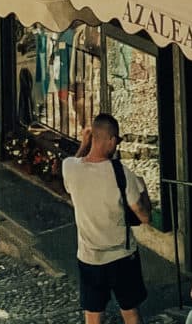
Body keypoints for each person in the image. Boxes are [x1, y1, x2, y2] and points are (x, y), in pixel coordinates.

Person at [61, 112, 153, 324]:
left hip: (89, 256)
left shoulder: (70, 168)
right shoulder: (121, 172)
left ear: (92, 137)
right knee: (130, 313)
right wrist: (144, 188)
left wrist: (85, 144)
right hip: (122, 255)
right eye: (117, 140)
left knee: (93, 316)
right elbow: (144, 216)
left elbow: (75, 161)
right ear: (111, 140)